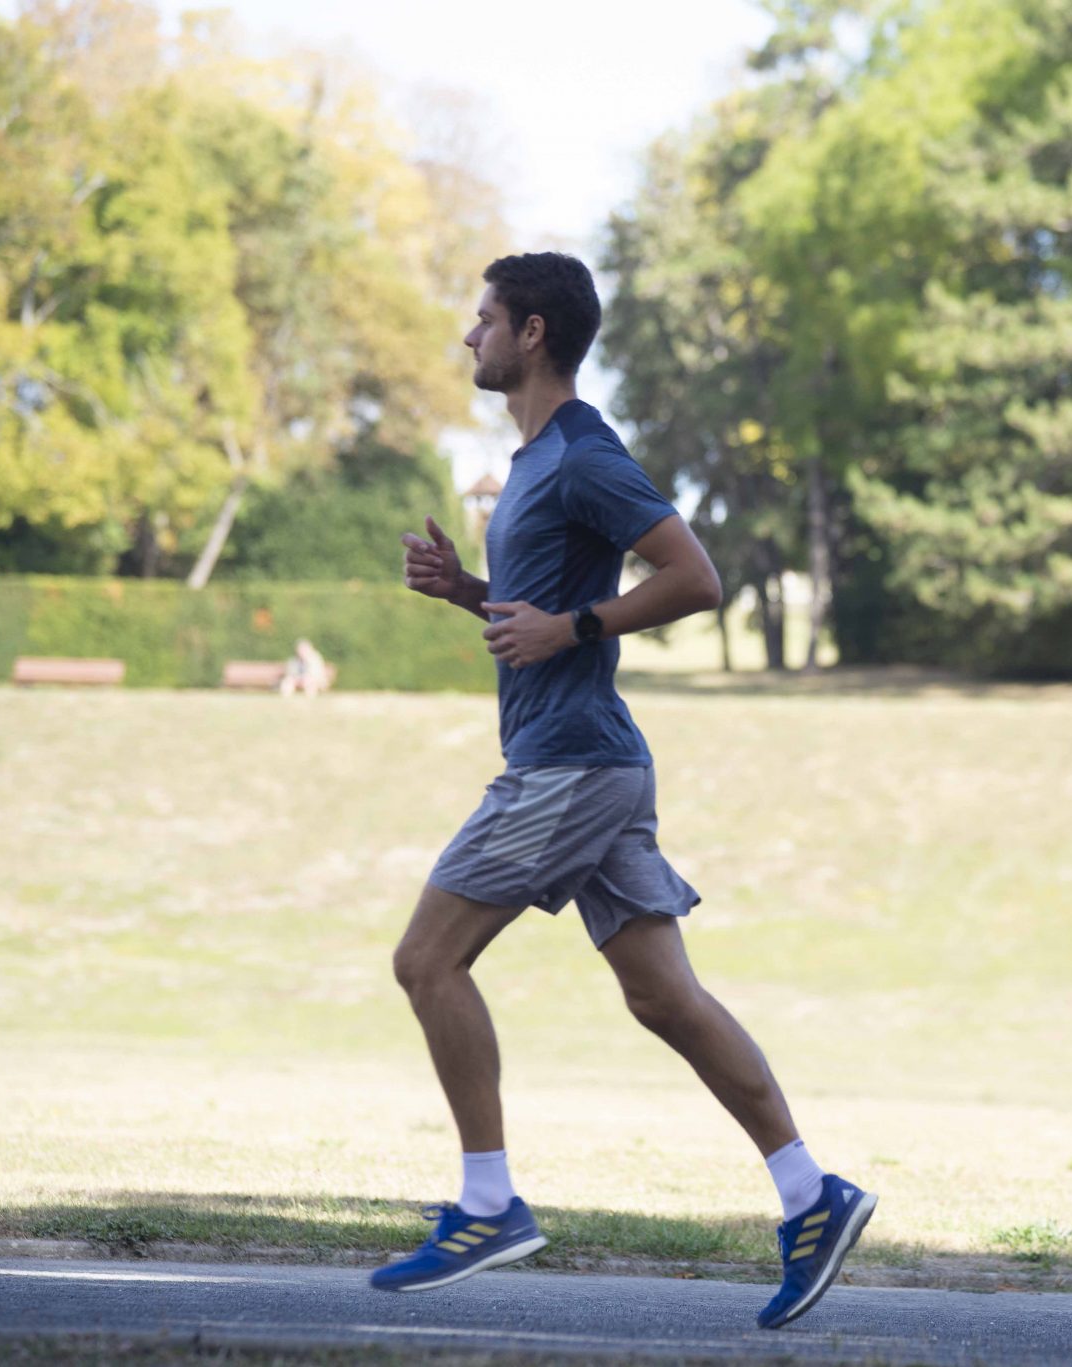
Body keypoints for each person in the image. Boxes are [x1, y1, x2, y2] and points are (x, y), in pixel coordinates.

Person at [378, 252, 874, 1328]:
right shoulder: (534, 464)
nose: (470, 335)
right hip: (595, 760)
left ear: (534, 333)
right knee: (664, 997)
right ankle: (811, 1194)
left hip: (568, 765)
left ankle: (487, 1202)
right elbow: (537, 614)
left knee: (426, 959)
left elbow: (696, 577)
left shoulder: (582, 455)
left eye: (485, 318)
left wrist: (572, 626)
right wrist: (468, 591)